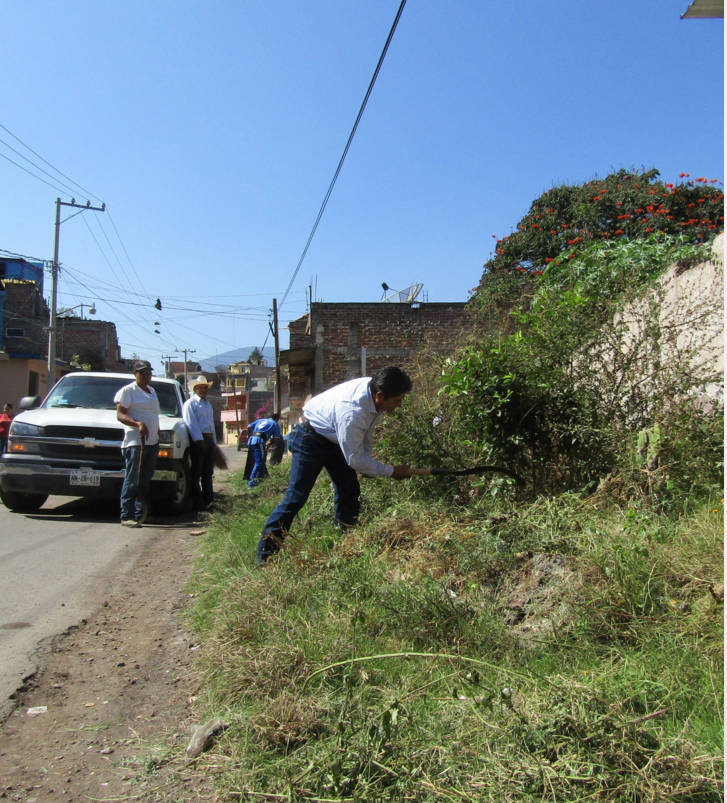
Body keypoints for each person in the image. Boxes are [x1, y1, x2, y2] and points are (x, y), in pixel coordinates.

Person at [257, 366, 414, 562]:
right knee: (296, 497)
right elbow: (355, 459)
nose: (399, 405)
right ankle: (266, 557)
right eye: (397, 401)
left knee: (349, 490)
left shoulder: (376, 394)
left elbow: (366, 433)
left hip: (334, 437)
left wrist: (368, 464)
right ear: (379, 396)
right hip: (309, 437)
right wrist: (391, 472)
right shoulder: (353, 411)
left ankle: (346, 544)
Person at [115, 360, 161, 528]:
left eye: (149, 373)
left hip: (152, 441)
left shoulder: (152, 391)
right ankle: (126, 515)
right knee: (132, 479)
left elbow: (154, 414)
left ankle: (142, 514)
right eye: (142, 373)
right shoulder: (128, 391)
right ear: (135, 374)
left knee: (145, 480)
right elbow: (120, 415)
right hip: (136, 442)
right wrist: (137, 423)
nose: (146, 376)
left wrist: (157, 431)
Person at [183, 375, 216, 512]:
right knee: (196, 473)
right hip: (198, 440)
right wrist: (200, 441)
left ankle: (209, 501)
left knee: (208, 473)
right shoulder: (190, 404)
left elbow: (211, 424)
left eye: (205, 387)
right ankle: (198, 503)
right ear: (195, 389)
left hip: (209, 439)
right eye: (200, 388)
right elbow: (191, 424)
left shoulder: (208, 404)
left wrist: (213, 442)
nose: (203, 390)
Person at [247, 414, 282, 489]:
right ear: (277, 419)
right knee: (259, 462)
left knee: (262, 459)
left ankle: (261, 478)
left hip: (251, 440)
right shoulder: (275, 424)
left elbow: (249, 427)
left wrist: (249, 436)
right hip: (259, 441)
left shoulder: (261, 420)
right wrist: (269, 444)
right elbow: (276, 439)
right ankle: (252, 482)